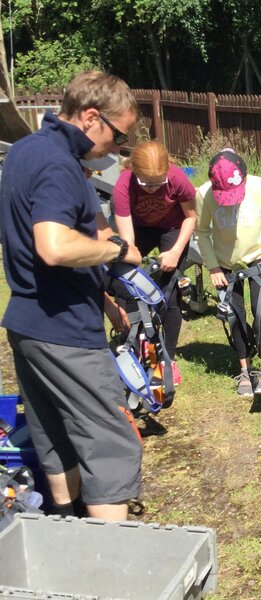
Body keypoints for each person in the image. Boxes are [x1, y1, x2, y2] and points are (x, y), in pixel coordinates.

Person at [0, 70, 144, 521]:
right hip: (65, 332)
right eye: (118, 136)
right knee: (110, 444)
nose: (118, 149)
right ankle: (108, 563)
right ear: (90, 118)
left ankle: (67, 524)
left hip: (28, 322)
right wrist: (116, 249)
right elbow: (54, 245)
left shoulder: (25, 150)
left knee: (53, 432)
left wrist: (102, 294)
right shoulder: (59, 165)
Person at [195, 150, 261, 398]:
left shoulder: (258, 187)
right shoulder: (204, 194)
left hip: (260, 259)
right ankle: (245, 370)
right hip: (225, 265)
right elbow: (202, 232)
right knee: (233, 316)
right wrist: (213, 266)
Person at [112, 140, 198, 379]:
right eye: (145, 183)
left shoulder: (177, 178)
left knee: (169, 293)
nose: (150, 189)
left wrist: (175, 251)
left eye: (157, 183)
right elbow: (127, 239)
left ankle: (167, 360)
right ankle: (136, 349)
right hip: (139, 228)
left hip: (172, 229)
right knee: (127, 285)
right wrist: (132, 259)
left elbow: (190, 217)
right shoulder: (124, 184)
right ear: (134, 171)